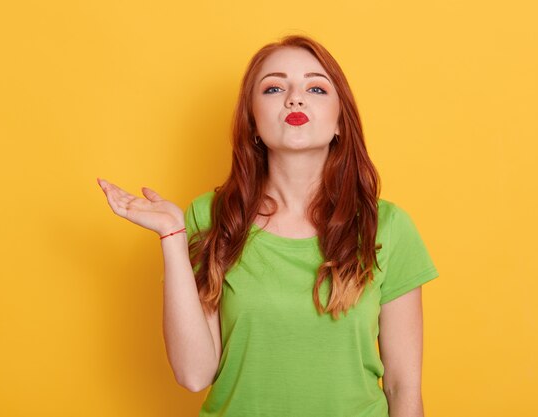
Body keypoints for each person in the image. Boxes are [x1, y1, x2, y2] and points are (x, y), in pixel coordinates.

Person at [97, 34, 439, 417]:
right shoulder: (209, 217)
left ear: (341, 122)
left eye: (316, 87)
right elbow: (194, 374)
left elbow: (402, 386)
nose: (295, 98)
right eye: (274, 87)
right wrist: (173, 237)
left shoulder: (387, 227)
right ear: (253, 123)